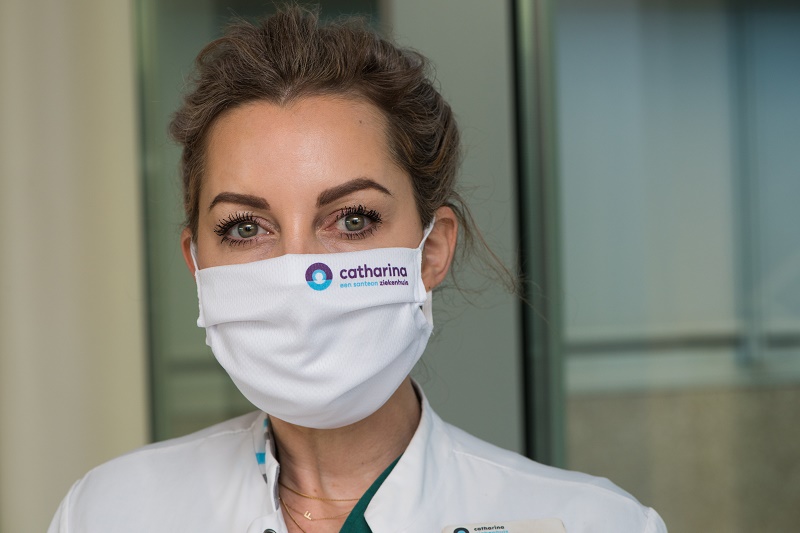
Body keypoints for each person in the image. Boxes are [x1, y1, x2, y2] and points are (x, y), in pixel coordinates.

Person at [48, 6, 667, 533]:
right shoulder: (108, 512)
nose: (299, 273)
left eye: (351, 220)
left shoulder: (593, 523)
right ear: (196, 264)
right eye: (245, 228)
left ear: (431, 251)